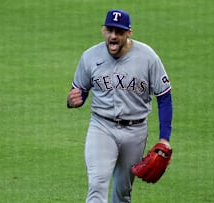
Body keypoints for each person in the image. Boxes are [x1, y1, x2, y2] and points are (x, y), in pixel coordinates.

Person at [67, 9, 173, 203]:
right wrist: (72, 101)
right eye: (110, 30)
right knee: (97, 184)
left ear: (129, 33)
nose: (113, 36)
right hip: (102, 128)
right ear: (103, 31)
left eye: (119, 31)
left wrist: (164, 138)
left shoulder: (148, 57)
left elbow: (164, 96)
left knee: (123, 192)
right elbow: (78, 92)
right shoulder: (90, 57)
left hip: (136, 131)